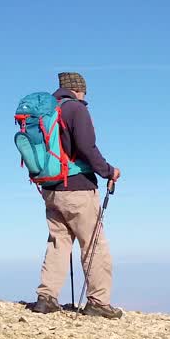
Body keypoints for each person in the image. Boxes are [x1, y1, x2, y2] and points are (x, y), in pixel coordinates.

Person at [28, 72, 123, 318]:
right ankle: (98, 301)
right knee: (94, 244)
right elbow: (87, 147)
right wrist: (108, 171)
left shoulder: (44, 112)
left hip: (50, 188)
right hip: (77, 187)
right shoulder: (75, 110)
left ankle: (46, 297)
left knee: (58, 241)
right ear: (78, 90)